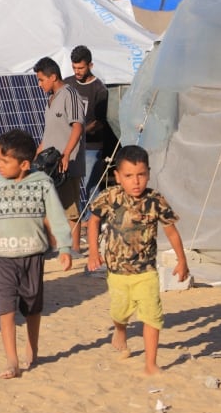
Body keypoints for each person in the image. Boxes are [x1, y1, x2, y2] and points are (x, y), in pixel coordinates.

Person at [0, 129, 73, 379]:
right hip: (4, 258)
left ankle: (33, 347)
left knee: (32, 306)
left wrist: (64, 247)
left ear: (24, 164)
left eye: (5, 161)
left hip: (33, 255)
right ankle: (12, 360)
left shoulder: (42, 183)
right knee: (5, 307)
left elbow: (56, 215)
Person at [86, 145, 189, 375]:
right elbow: (92, 222)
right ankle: (120, 330)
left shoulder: (155, 201)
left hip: (146, 272)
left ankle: (151, 364)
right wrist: (94, 252)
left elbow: (171, 231)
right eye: (129, 176)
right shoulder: (109, 197)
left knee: (152, 315)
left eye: (141, 175)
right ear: (118, 176)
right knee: (120, 312)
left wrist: (182, 261)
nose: (136, 182)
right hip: (117, 272)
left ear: (149, 173)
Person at [33, 56, 85, 255]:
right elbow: (49, 134)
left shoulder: (69, 94)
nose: (39, 84)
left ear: (53, 76)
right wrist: (36, 155)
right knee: (48, 205)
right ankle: (54, 247)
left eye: (41, 80)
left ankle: (75, 249)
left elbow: (77, 127)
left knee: (70, 207)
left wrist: (66, 154)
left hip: (67, 162)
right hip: (49, 164)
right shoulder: (50, 99)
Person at [66, 45, 117, 203]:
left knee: (90, 185)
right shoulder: (67, 84)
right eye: (74, 68)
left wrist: (79, 131)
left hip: (91, 147)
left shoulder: (99, 89)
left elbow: (100, 122)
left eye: (80, 68)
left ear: (90, 65)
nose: (77, 72)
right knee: (71, 186)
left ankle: (91, 221)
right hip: (69, 146)